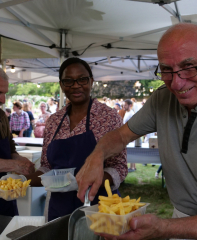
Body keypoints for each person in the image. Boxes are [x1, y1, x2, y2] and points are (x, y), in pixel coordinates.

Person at [76, 23, 197, 240]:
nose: (177, 83)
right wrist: (96, 157)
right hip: (178, 220)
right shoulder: (162, 99)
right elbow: (120, 136)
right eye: (166, 70)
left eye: (189, 66)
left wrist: (163, 228)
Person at [26, 57, 127, 221]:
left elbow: (119, 168)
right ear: (61, 84)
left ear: (91, 81)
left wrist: (88, 180)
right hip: (59, 207)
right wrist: (22, 181)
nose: (76, 86)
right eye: (69, 81)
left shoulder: (109, 117)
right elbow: (46, 167)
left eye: (82, 79)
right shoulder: (54, 121)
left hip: (99, 207)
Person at [0, 68, 35, 216]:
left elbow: (10, 148)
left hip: (4, 196)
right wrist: (12, 165)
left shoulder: (1, 116)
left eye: (4, 93)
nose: (3, 100)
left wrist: (20, 159)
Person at [123, 99, 136, 172]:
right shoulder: (126, 113)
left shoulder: (131, 114)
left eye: (125, 105)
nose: (123, 106)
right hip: (126, 135)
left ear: (130, 105)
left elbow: (132, 126)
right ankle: (132, 167)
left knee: (131, 151)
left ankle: (132, 167)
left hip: (130, 136)